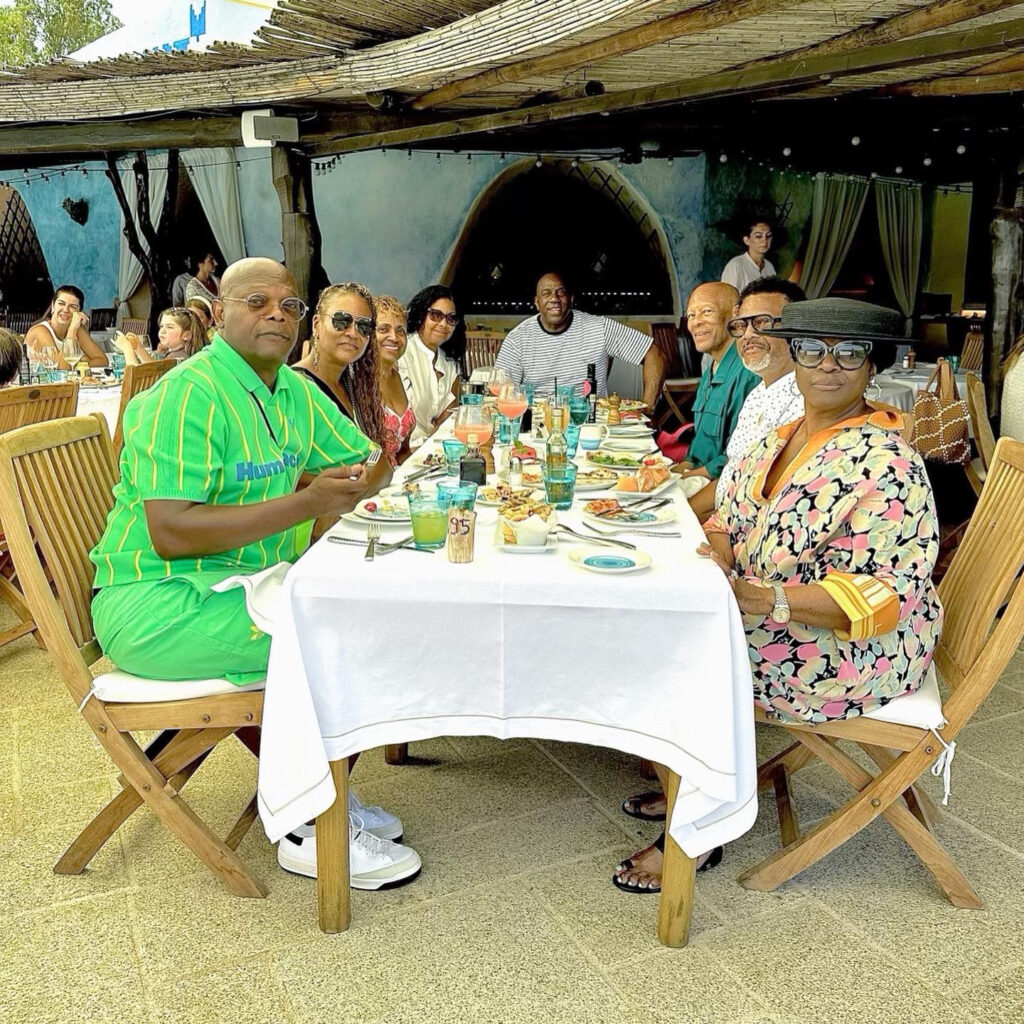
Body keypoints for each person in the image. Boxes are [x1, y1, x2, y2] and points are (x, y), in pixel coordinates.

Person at [89, 257, 419, 890]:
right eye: (256, 301)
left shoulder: (289, 389)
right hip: (153, 601)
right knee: (318, 641)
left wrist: (358, 473)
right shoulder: (186, 395)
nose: (276, 313)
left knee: (344, 617)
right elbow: (172, 530)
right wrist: (307, 501)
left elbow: (364, 465)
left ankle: (324, 795)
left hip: (239, 587)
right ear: (216, 314)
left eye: (288, 306)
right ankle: (307, 826)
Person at [614, 298, 943, 894]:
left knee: (680, 657)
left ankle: (697, 826)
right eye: (813, 349)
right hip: (772, 615)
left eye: (851, 352)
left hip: (853, 653)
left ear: (875, 366)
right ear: (794, 356)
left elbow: (882, 597)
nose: (828, 365)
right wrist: (719, 553)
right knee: (655, 627)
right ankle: (696, 783)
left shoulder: (888, 463)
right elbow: (728, 519)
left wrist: (763, 600)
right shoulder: (780, 436)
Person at [688, 278, 806, 518]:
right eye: (742, 325)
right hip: (721, 518)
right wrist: (684, 515)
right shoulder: (757, 394)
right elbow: (730, 476)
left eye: (763, 322)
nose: (748, 335)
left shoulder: (807, 400)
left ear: (799, 329)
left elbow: (765, 505)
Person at [494, 271, 667, 410]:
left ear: (571, 299)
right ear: (537, 303)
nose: (554, 298)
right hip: (537, 425)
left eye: (560, 292)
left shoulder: (600, 328)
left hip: (593, 423)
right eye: (547, 294)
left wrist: (648, 408)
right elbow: (502, 391)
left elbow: (654, 354)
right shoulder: (517, 339)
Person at [291, 283, 394, 494]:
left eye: (364, 326)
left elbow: (377, 457)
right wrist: (351, 481)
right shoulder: (296, 387)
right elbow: (284, 473)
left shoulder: (350, 383)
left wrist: (363, 474)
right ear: (316, 325)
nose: (353, 333)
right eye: (341, 321)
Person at [674, 282, 758, 481]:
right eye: (691, 315)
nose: (696, 322)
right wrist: (678, 471)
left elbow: (740, 455)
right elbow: (698, 448)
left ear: (734, 317)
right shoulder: (710, 370)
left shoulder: (748, 372)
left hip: (722, 486)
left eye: (706, 312)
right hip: (694, 476)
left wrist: (686, 478)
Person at [398, 285, 466, 442]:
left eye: (451, 318)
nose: (443, 324)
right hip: (405, 448)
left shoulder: (449, 363)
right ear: (421, 315)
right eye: (436, 315)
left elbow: (450, 411)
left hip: (433, 445)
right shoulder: (402, 353)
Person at [374, 295, 416, 466]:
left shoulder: (397, 375)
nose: (394, 337)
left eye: (401, 331)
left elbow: (403, 451)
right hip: (371, 485)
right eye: (383, 329)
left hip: (398, 480)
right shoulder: (358, 381)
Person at [25, 285, 108, 369]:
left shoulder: (77, 330)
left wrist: (79, 365)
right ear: (53, 306)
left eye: (72, 307)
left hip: (61, 382)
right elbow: (63, 368)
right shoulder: (40, 331)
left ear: (79, 312)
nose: (65, 310)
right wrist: (71, 331)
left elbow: (102, 360)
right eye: (61, 303)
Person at [112, 307, 209, 365]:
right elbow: (153, 369)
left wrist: (127, 349)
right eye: (162, 326)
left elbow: (136, 378)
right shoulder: (178, 354)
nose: (162, 330)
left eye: (170, 327)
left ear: (186, 335)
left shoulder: (178, 359)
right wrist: (138, 348)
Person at [721, 219, 776, 293]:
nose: (765, 240)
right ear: (746, 240)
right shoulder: (736, 266)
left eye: (768, 236)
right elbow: (728, 298)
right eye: (758, 236)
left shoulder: (769, 267)